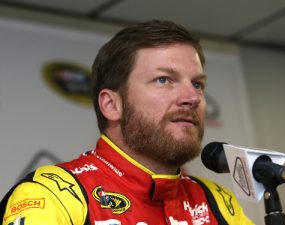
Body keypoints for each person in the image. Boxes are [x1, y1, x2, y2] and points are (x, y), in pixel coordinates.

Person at [0, 20, 254, 225]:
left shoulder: (216, 201)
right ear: (112, 105)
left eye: (197, 84)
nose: (192, 98)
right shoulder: (51, 193)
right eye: (164, 80)